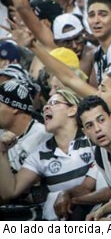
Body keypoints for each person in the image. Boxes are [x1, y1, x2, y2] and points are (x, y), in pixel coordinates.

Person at [0, 89, 96, 220]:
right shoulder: (40, 153)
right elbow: (10, 191)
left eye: (54, 103)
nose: (45, 107)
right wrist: (2, 151)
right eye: (46, 104)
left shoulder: (93, 140)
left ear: (72, 110)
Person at [0, 79, 50, 220]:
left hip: (37, 215)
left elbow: (7, 193)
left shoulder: (43, 136)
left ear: (15, 107)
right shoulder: (1, 133)